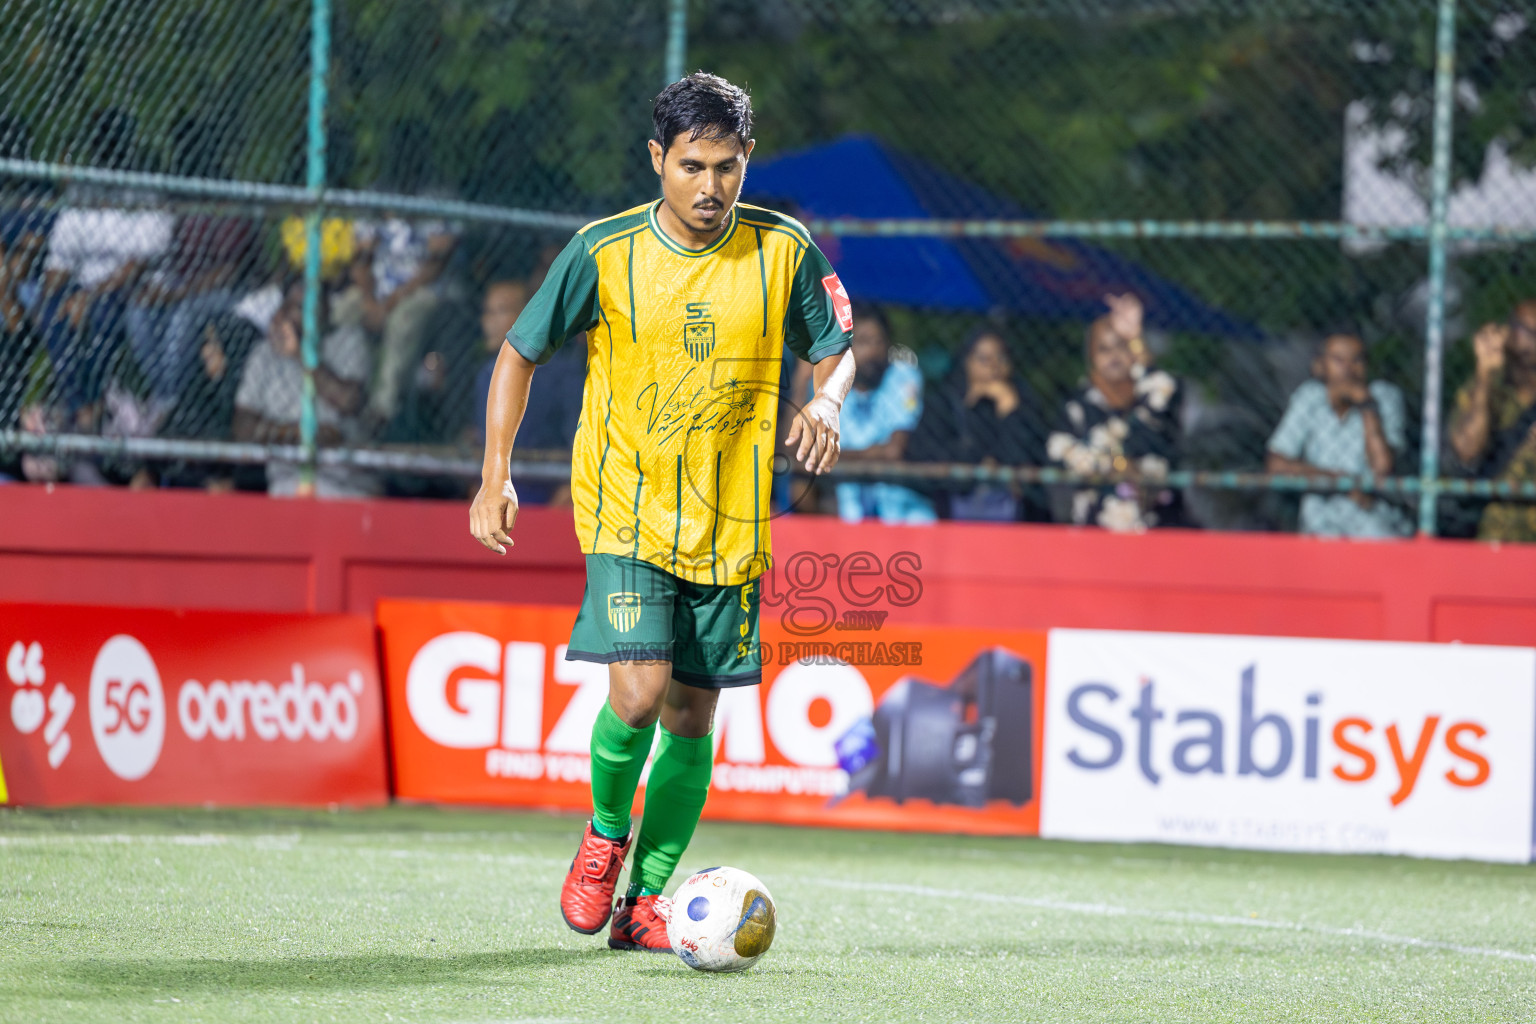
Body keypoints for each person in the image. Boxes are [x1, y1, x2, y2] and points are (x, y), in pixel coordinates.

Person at [470, 73, 854, 952]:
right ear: (658, 159)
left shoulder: (786, 250)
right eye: (691, 166)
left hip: (731, 527)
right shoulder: (600, 252)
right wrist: (495, 475)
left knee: (691, 716)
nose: (710, 187)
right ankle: (606, 837)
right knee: (638, 697)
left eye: (727, 166)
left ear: (747, 159)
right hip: (626, 512)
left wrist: (827, 402)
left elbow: (838, 350)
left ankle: (643, 901)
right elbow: (518, 353)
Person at [1046, 293, 1183, 532]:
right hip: (1094, 532)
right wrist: (1119, 465)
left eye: (1121, 346)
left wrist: (1136, 337)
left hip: (1154, 529)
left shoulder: (1150, 395)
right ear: (1091, 357)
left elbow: (1163, 391)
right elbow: (1062, 454)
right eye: (1103, 350)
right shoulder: (1077, 407)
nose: (1113, 357)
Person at [232, 277, 375, 498]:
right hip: (286, 480)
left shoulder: (348, 340)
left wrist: (301, 355)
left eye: (316, 306)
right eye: (300, 308)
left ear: (327, 309)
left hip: (344, 482)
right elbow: (243, 427)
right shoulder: (264, 353)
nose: (309, 315)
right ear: (283, 310)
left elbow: (348, 401)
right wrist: (299, 433)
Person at [1266, 332, 1410, 538]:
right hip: (1320, 523)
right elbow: (1277, 464)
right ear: (1320, 366)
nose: (1348, 370)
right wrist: (1342, 483)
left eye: (1357, 361)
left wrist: (1367, 407)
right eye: (1339, 361)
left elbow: (1382, 466)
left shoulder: (1384, 396)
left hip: (1374, 521)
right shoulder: (1310, 398)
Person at [908, 325, 1049, 521]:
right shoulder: (943, 404)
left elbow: (1027, 458)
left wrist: (1009, 411)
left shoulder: (1023, 405)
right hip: (951, 516)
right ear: (965, 362)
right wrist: (981, 462)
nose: (994, 366)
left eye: (1001, 358)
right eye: (983, 359)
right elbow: (926, 458)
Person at [469, 279, 583, 505]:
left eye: (500, 311)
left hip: (551, 501)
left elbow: (581, 444)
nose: (488, 322)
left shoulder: (563, 375)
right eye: (487, 312)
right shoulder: (486, 375)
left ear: (529, 316)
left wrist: (564, 495)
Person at [829, 303, 935, 524]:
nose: (873, 351)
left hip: (901, 510)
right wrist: (801, 379)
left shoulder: (903, 377)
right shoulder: (829, 383)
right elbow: (806, 453)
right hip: (847, 507)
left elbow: (893, 451)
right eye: (864, 342)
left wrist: (842, 457)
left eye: (879, 342)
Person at [1448, 302, 1536, 542]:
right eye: (1523, 329)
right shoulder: (1487, 390)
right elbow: (1467, 449)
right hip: (1492, 535)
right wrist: (1484, 371)